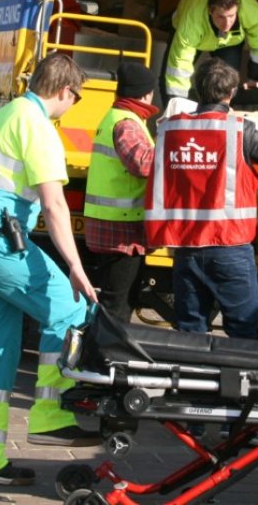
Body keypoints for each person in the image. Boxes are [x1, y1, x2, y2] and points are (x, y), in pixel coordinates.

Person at [0, 53, 100, 487]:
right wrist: (75, 267)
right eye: (77, 97)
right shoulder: (38, 127)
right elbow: (53, 205)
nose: (74, 105)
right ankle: (51, 412)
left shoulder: (7, 114)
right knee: (69, 306)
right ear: (65, 91)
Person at [146, 58, 258, 339]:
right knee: (242, 331)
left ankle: (188, 382)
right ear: (231, 93)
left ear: (196, 90)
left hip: (186, 248)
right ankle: (234, 382)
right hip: (230, 247)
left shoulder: (169, 130)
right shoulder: (240, 130)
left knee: (189, 332)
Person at [83, 62, 159, 324]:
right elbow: (142, 163)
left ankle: (105, 354)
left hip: (116, 226)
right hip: (120, 230)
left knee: (119, 300)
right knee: (117, 305)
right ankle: (104, 358)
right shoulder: (126, 123)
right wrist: (175, 149)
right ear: (146, 94)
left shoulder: (120, 117)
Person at [161, 0, 258, 104]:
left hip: (229, 41)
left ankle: (222, 116)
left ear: (238, 9)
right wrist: (177, 109)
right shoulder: (191, 22)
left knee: (227, 84)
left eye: (231, 16)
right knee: (168, 79)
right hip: (194, 33)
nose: (227, 23)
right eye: (221, 17)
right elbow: (179, 67)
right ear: (210, 10)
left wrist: (254, 78)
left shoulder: (252, 12)